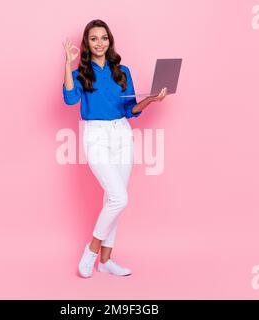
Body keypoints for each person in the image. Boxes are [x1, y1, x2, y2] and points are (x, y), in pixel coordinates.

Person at [62, 19, 167, 278]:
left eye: (104, 38)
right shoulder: (80, 73)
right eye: (94, 38)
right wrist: (67, 64)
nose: (100, 43)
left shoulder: (122, 71)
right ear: (86, 43)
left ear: (110, 41)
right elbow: (70, 98)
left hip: (122, 134)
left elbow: (130, 109)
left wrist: (151, 100)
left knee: (113, 200)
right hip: (95, 135)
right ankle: (92, 250)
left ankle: (106, 260)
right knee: (119, 197)